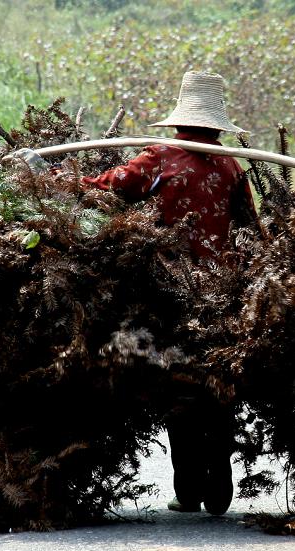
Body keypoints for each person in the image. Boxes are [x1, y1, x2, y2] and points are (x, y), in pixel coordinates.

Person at [82, 71, 257, 515]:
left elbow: (112, 187)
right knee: (217, 386)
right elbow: (252, 229)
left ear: (180, 119)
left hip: (168, 289)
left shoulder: (159, 157)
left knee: (179, 385)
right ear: (218, 125)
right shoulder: (232, 166)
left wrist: (62, 180)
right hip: (222, 294)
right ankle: (220, 492)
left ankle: (190, 492)